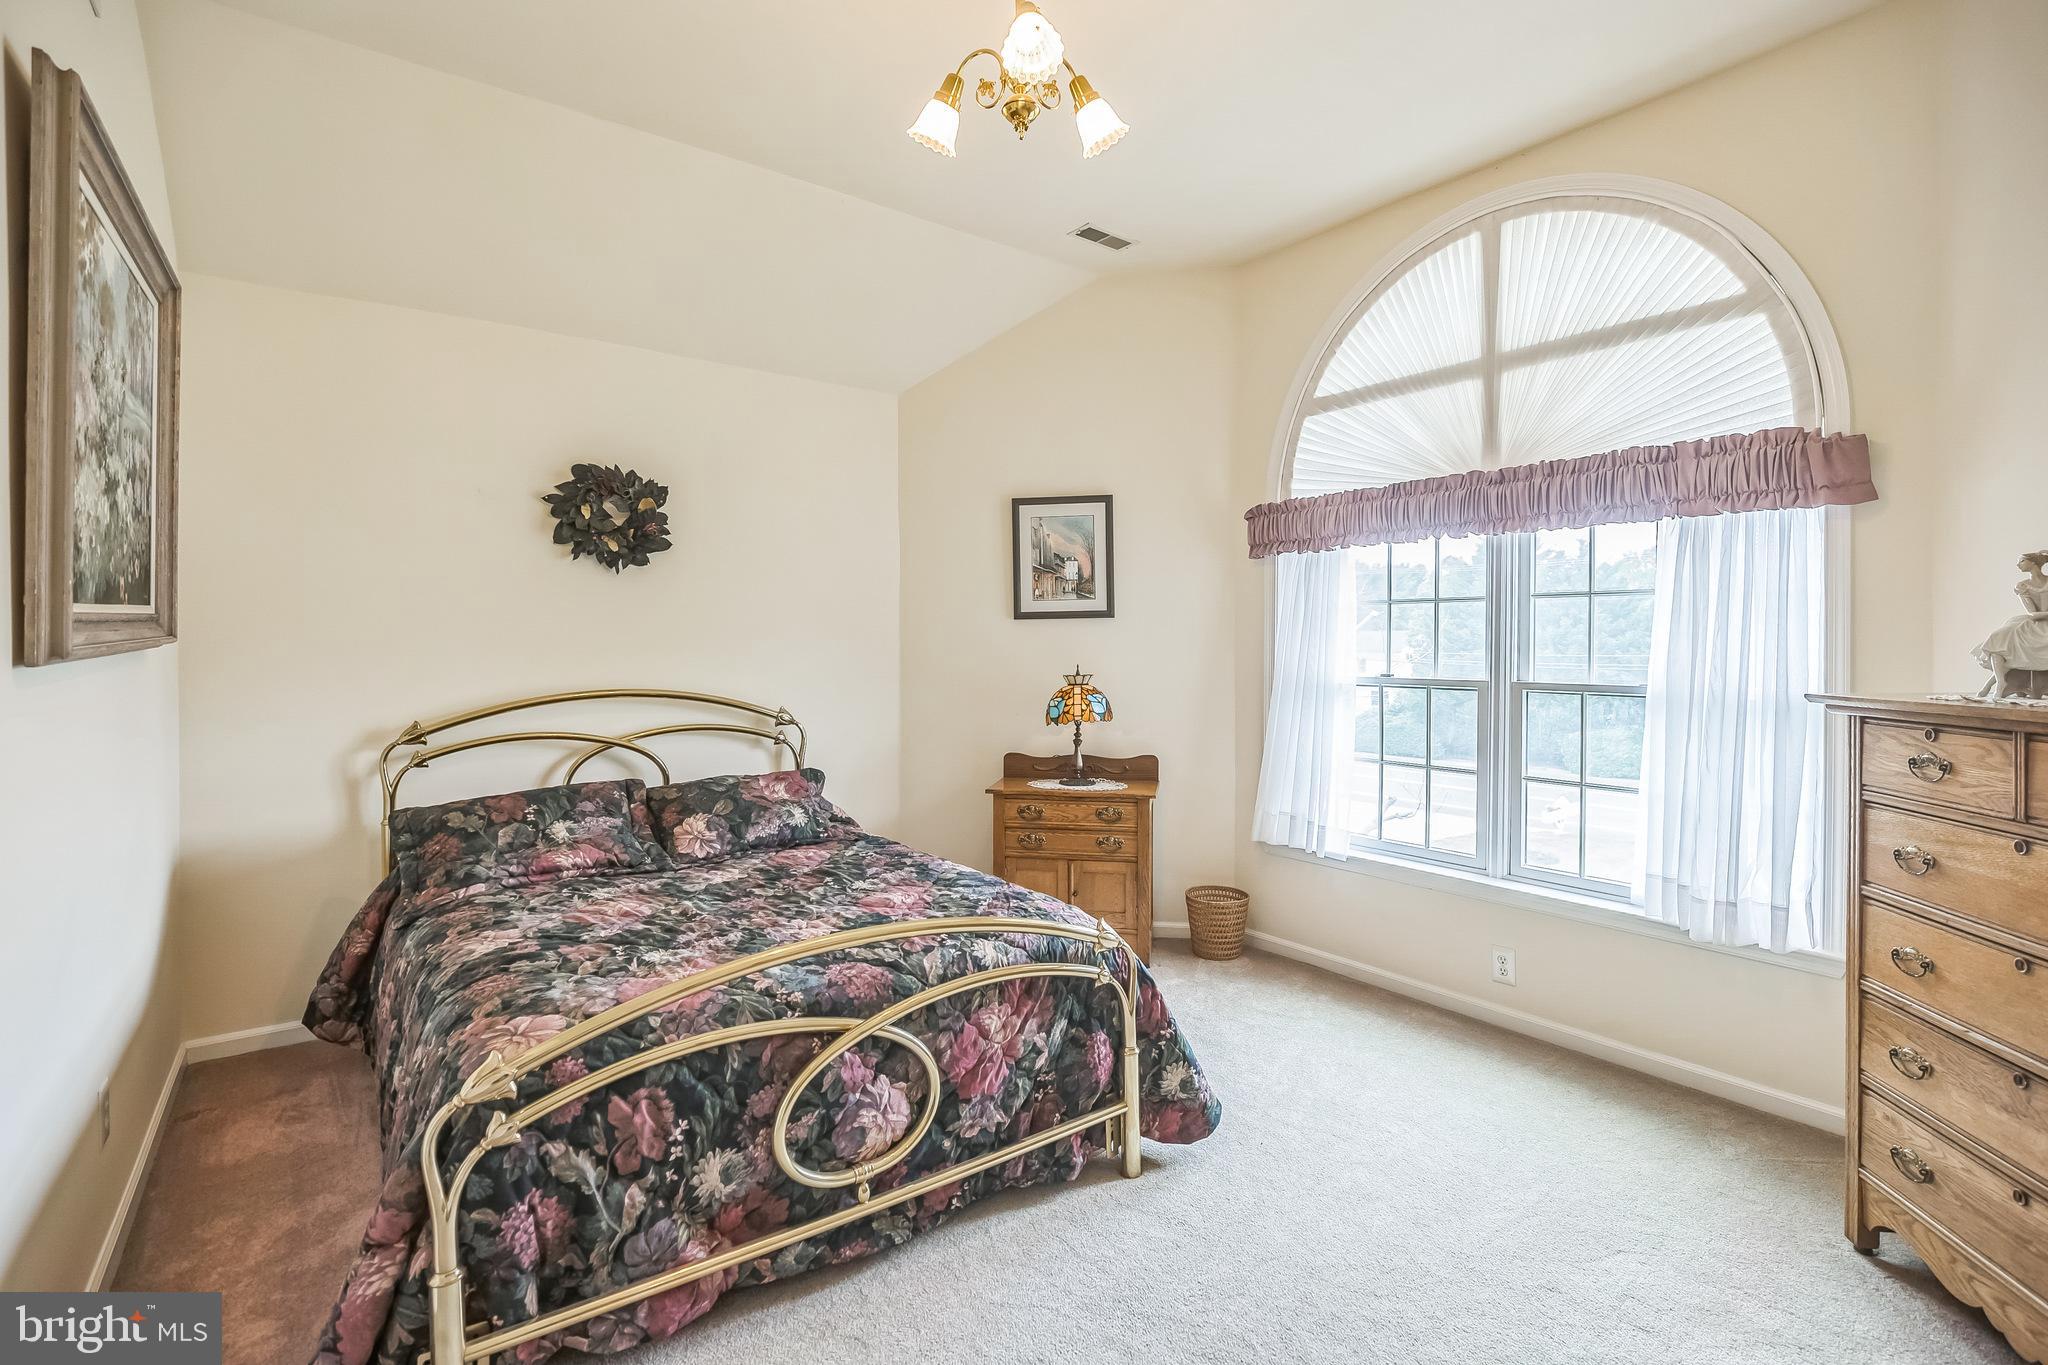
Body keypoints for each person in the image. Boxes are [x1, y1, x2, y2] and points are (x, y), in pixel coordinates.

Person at [1975, 551, 2048, 699]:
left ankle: (1989, 685)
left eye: (2021, 561)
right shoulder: (2022, 586)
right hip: (2033, 623)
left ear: (2033, 563)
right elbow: (2032, 614)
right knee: (1999, 639)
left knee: (2011, 651)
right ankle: (2000, 682)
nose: (2017, 564)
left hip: (2044, 626)